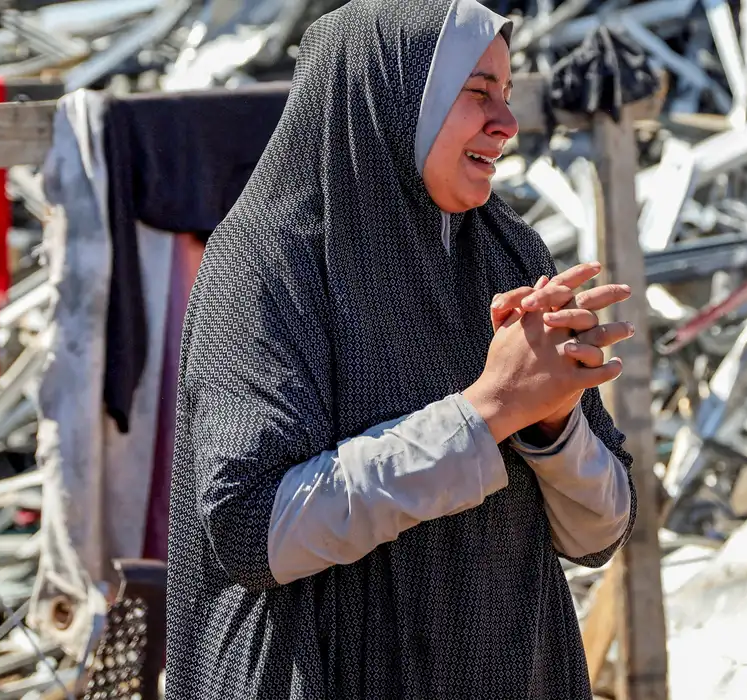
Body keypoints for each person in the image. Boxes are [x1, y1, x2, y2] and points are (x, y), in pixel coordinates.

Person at [166, 1, 637, 698]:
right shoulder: (267, 264)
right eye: (477, 92)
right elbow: (248, 527)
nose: (506, 124)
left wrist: (553, 422)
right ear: (391, 95)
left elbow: (599, 531)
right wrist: (486, 412)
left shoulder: (508, 253)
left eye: (506, 96)